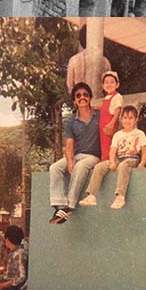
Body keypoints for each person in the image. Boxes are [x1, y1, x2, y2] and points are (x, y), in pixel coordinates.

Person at [48, 82, 101, 224]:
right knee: (54, 168)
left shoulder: (99, 115)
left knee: (80, 166)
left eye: (85, 95)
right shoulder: (71, 121)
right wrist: (70, 161)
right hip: (78, 155)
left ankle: (68, 207)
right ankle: (59, 205)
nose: (82, 97)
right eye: (78, 96)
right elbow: (69, 144)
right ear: (74, 101)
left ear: (90, 98)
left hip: (93, 156)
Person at [79, 105, 146, 209]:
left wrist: (142, 163)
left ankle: (120, 196)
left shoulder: (139, 133)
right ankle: (91, 196)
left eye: (131, 118)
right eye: (125, 118)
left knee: (123, 166)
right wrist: (112, 161)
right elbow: (113, 150)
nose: (127, 121)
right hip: (119, 159)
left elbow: (144, 150)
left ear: (136, 119)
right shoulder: (118, 135)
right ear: (121, 119)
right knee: (99, 167)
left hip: (132, 158)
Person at [66, 25, 112, 96]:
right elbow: (109, 89)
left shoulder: (73, 60)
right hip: (98, 102)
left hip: (81, 101)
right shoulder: (105, 62)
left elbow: (70, 87)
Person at [99, 71, 123, 161]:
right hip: (103, 127)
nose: (109, 84)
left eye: (112, 82)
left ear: (117, 85)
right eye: (106, 82)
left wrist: (112, 123)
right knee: (104, 145)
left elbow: (117, 109)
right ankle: (105, 160)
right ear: (103, 85)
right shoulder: (107, 97)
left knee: (110, 145)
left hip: (109, 125)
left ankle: (110, 162)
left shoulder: (117, 96)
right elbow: (108, 108)